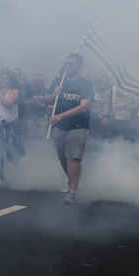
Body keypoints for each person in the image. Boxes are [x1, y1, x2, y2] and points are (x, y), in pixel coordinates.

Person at [41, 53, 94, 205]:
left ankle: (72, 192)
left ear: (79, 66)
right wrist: (54, 94)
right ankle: (72, 183)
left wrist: (61, 115)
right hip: (59, 126)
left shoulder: (86, 84)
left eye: (71, 64)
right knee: (63, 158)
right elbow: (46, 100)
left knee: (73, 157)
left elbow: (83, 107)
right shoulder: (59, 81)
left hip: (78, 125)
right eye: (66, 64)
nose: (67, 66)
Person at [0, 69, 25, 188]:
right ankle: (0, 178)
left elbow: (7, 104)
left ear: (11, 80)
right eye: (2, 78)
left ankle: (18, 173)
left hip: (10, 125)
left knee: (11, 152)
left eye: (5, 78)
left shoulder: (15, 91)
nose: (3, 80)